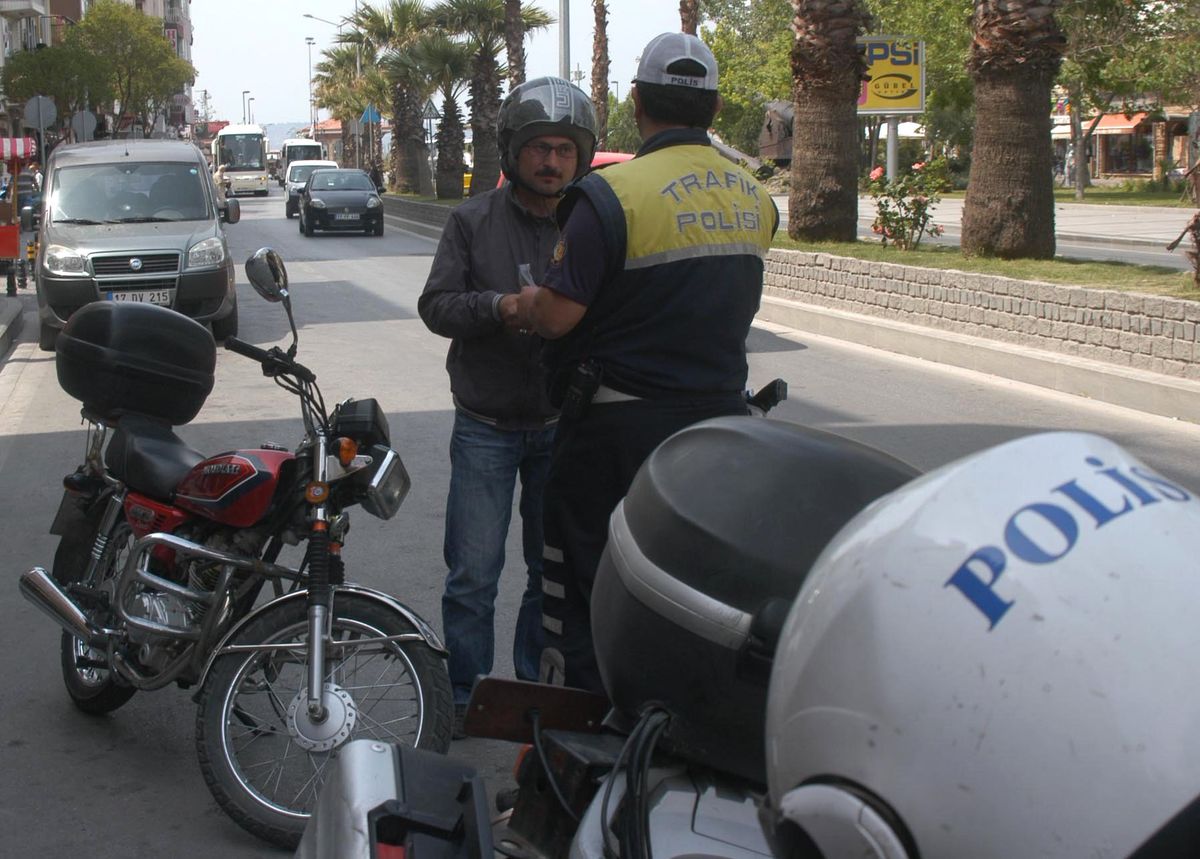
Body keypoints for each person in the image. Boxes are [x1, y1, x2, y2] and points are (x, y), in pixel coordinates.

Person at [516, 33, 780, 693]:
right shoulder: (756, 198)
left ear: (636, 104)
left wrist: (522, 303)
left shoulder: (609, 197)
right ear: (714, 108)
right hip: (719, 434)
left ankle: (574, 760)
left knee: (580, 589)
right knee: (687, 594)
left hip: (612, 437)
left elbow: (556, 317)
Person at [418, 76, 598, 735]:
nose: (551, 162)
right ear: (513, 151)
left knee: (548, 575)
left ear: (580, 156)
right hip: (485, 429)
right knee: (472, 577)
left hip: (560, 426)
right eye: (539, 148)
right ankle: (467, 699)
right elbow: (436, 306)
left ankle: (529, 696)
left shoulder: (593, 223)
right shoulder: (471, 221)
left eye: (564, 150)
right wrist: (500, 308)